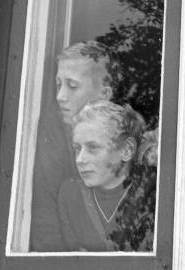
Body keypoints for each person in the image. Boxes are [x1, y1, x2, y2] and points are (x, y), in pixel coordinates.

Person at [29, 41, 122, 251]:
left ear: (104, 95)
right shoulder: (52, 127)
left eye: (72, 86)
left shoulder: (123, 131)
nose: (60, 96)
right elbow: (45, 206)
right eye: (58, 84)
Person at [56, 101, 156, 252]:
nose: (80, 159)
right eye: (77, 149)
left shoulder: (153, 193)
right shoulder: (71, 195)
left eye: (93, 148)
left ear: (127, 150)